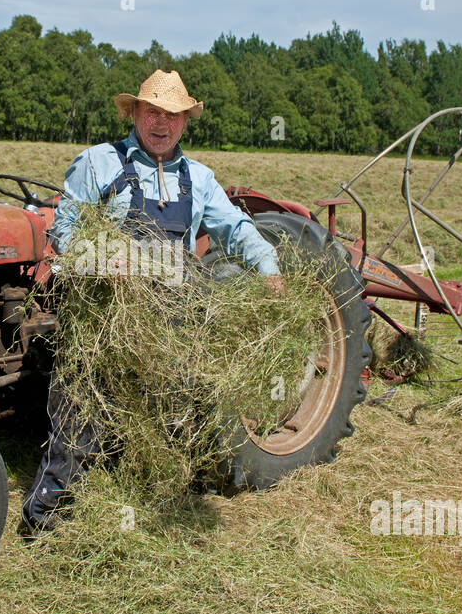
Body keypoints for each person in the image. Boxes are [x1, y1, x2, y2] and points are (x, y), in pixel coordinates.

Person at [20, 69, 285, 534]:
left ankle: (152, 512)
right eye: (152, 112)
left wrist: (267, 264)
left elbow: (235, 227)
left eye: (172, 115)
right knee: (79, 411)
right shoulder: (98, 163)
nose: (161, 124)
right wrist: (108, 258)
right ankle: (50, 519)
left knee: (170, 415)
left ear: (185, 122)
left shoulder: (198, 179)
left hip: (169, 321)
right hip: (104, 317)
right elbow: (63, 233)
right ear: (135, 114)